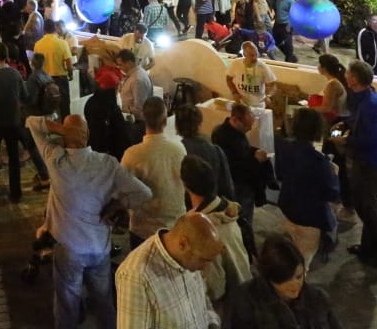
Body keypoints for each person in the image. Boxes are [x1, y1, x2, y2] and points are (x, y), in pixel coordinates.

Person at [27, 113, 152, 329]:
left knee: (68, 305)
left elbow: (31, 122)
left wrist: (61, 129)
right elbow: (144, 193)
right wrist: (118, 204)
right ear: (89, 135)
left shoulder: (55, 160)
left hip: (68, 248)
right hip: (99, 248)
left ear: (64, 136)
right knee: (104, 302)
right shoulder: (108, 164)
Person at [336, 59, 377, 266]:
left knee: (368, 209)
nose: (345, 76)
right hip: (369, 161)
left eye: (347, 74)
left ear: (354, 79)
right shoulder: (365, 99)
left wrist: (344, 140)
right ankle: (367, 249)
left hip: (370, 164)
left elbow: (370, 139)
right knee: (367, 207)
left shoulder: (371, 105)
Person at [115, 212, 224, 329]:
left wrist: (213, 323)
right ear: (182, 244)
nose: (205, 268)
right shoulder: (136, 276)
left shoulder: (192, 255)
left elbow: (203, 301)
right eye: (203, 260)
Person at [227, 235, 343, 329]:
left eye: (299, 276)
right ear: (269, 277)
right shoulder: (246, 301)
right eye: (285, 279)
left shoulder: (317, 298)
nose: (295, 285)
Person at [180, 155, 251, 307]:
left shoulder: (201, 228)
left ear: (185, 185)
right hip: (245, 285)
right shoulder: (230, 209)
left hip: (228, 303)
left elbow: (215, 288)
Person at [276, 107, 340, 268]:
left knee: (292, 253)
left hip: (289, 209)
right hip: (310, 217)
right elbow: (332, 192)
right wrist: (334, 174)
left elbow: (280, 172)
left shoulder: (284, 148)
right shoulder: (319, 161)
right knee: (303, 262)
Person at [122, 96, 188, 244]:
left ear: (144, 118)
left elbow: (123, 191)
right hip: (174, 225)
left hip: (143, 228)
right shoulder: (179, 149)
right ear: (165, 121)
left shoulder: (132, 154)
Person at [214, 102, 269, 258]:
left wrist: (253, 151)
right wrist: (255, 160)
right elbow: (234, 166)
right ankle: (243, 249)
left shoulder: (233, 132)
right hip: (238, 186)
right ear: (236, 120)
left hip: (243, 183)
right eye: (247, 126)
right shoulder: (222, 136)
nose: (249, 129)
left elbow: (242, 153)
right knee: (243, 219)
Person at [0, 43, 29, 201]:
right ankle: (16, 193)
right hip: (13, 121)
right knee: (14, 157)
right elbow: (24, 95)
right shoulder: (16, 74)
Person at [176, 106, 235, 201]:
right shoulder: (215, 149)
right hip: (212, 204)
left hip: (187, 206)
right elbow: (226, 185)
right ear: (199, 123)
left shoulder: (177, 151)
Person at [33, 18, 74, 120]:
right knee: (64, 105)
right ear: (55, 28)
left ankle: (49, 128)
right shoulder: (62, 43)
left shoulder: (38, 44)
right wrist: (70, 73)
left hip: (44, 80)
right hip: (60, 79)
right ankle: (66, 126)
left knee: (46, 104)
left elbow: (36, 63)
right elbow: (69, 63)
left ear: (44, 29)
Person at [224, 40, 277, 109]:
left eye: (256, 54)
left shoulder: (263, 67)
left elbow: (273, 85)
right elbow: (228, 79)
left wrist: (268, 96)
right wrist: (234, 92)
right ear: (244, 54)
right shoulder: (236, 64)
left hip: (258, 105)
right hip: (241, 103)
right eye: (252, 55)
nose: (255, 58)